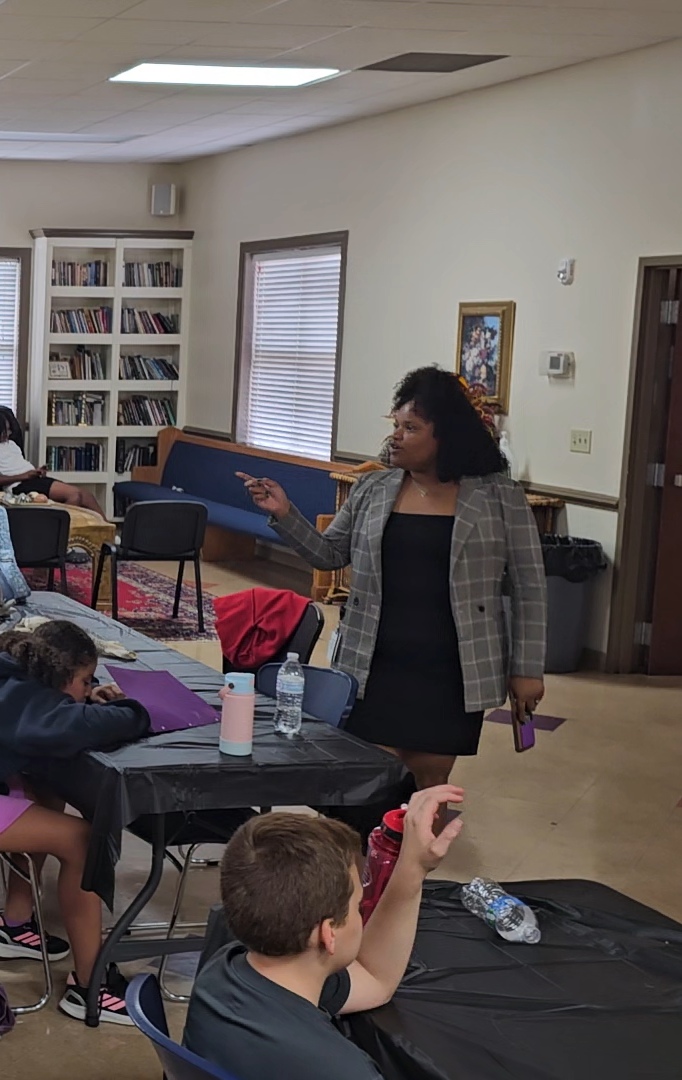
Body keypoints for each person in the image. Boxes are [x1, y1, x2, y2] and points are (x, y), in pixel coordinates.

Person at [238, 365, 547, 792]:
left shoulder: (499, 498)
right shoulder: (373, 489)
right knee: (370, 780)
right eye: (396, 425)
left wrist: (527, 670)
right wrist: (285, 514)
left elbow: (531, 587)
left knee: (431, 782)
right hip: (374, 661)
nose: (396, 436)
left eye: (411, 427)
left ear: (446, 435)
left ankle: (419, 840)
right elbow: (329, 554)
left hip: (451, 669)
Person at [183, 784, 464, 1080]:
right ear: (328, 933)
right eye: (357, 907)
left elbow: (375, 980)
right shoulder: (343, 1070)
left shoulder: (221, 970)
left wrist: (413, 867)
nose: (360, 915)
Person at [0, 620, 150, 1024]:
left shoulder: (14, 676)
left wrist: (81, 701)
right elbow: (113, 723)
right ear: (63, 676)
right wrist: (131, 707)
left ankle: (15, 923)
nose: (88, 689)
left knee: (45, 791)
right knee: (81, 842)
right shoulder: (29, 706)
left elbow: (50, 717)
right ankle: (90, 987)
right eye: (85, 681)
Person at [0, 411, 106, 518]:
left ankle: (109, 527)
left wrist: (37, 472)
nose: (10, 433)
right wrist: (25, 476)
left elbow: (19, 464)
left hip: (34, 479)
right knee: (75, 496)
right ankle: (57, 526)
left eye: (9, 429)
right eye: (6, 430)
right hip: (19, 485)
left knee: (86, 495)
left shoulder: (12, 444)